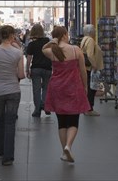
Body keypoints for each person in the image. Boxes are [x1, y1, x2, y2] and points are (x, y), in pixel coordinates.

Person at [42, 26, 90, 163]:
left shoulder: (52, 51)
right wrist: (85, 86)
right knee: (73, 121)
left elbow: (43, 48)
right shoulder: (76, 50)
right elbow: (83, 71)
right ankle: (68, 146)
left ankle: (64, 150)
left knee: (61, 122)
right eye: (67, 34)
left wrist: (53, 41)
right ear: (64, 35)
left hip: (57, 89)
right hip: (73, 88)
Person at [0, 25, 25, 166]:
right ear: (11, 36)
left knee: (0, 121)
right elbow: (21, 75)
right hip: (13, 91)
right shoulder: (18, 53)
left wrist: (0, 69)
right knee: (10, 123)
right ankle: (8, 157)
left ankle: (0, 149)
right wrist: (12, 71)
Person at [25, 23, 51, 117]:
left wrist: (27, 70)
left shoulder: (32, 44)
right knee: (46, 88)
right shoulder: (48, 41)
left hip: (36, 68)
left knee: (36, 89)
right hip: (48, 68)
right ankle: (45, 105)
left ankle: (37, 110)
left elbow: (29, 58)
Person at [80, 24, 104, 116]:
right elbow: (89, 54)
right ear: (90, 31)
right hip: (91, 68)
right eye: (94, 29)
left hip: (87, 67)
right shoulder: (90, 40)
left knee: (90, 88)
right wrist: (94, 65)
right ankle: (89, 109)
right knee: (92, 88)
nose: (95, 31)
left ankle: (87, 108)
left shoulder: (84, 39)